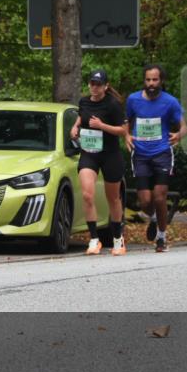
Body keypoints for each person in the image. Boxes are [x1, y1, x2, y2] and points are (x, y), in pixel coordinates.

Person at [125, 64, 187, 253]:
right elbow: (127, 122)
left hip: (162, 153)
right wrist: (126, 136)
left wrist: (178, 135)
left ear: (161, 81)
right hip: (141, 155)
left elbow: (184, 126)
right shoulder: (133, 100)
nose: (151, 83)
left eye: (155, 80)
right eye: (148, 80)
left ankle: (161, 237)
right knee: (145, 201)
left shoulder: (170, 102)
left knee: (160, 197)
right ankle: (152, 218)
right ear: (144, 81)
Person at [70, 69, 128, 255]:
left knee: (113, 198)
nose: (94, 87)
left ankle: (118, 238)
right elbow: (82, 116)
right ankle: (94, 239)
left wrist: (102, 126)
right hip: (89, 153)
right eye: (92, 83)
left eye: (98, 84)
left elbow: (123, 130)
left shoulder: (113, 104)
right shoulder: (84, 101)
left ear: (106, 86)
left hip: (110, 154)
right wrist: (75, 126)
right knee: (87, 195)